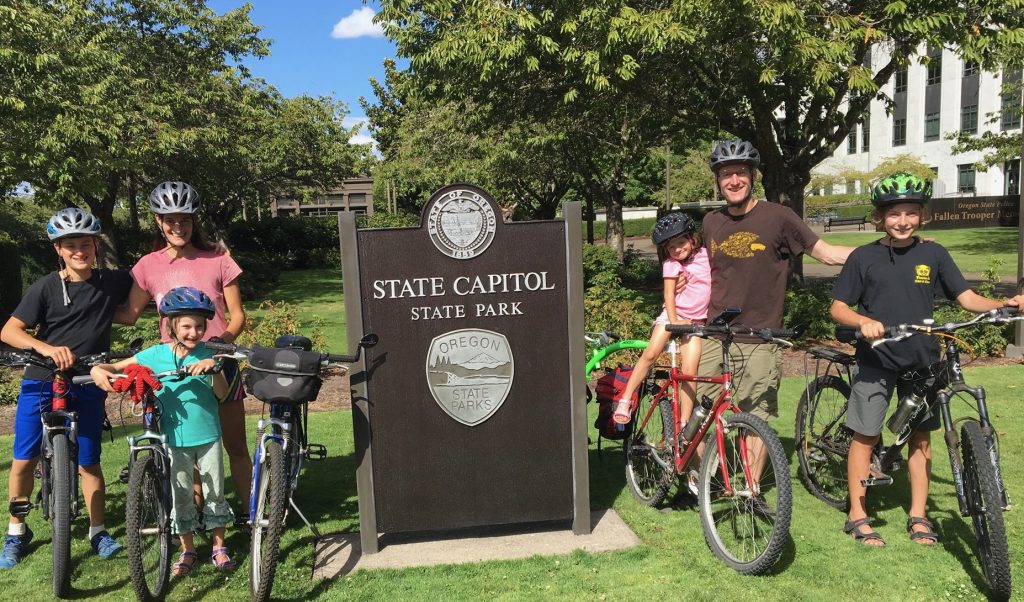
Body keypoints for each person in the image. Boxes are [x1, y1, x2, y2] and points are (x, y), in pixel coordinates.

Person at [830, 173, 1024, 546]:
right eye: (894, 214)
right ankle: (857, 513)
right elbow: (838, 307)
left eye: (910, 213)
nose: (902, 221)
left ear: (921, 214)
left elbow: (965, 297)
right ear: (880, 218)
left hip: (921, 360)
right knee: (866, 434)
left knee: (921, 436)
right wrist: (864, 321)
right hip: (877, 359)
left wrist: (1001, 304)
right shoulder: (863, 256)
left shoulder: (933, 253)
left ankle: (918, 515)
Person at [0, 208, 133, 568]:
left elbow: (148, 284)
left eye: (85, 243)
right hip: (42, 378)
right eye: (70, 245)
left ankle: (98, 530)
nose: (79, 251)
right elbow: (9, 331)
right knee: (23, 459)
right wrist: (45, 347)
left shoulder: (112, 281)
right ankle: (16, 531)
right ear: (59, 249)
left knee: (89, 461)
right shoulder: (44, 286)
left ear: (95, 245)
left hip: (87, 379)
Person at [116, 181, 252, 514]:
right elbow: (130, 314)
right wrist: (81, 307)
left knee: (235, 445)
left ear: (194, 221)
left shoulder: (218, 259)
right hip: (175, 370)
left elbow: (238, 316)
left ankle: (254, 518)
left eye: (185, 220)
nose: (178, 227)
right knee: (187, 449)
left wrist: (222, 346)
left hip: (219, 362)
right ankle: (196, 523)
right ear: (158, 222)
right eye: (170, 220)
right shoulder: (148, 265)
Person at [92, 286, 237, 575]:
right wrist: (99, 369)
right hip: (173, 439)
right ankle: (188, 549)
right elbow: (114, 367)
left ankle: (219, 546)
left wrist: (214, 368)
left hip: (208, 436)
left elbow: (221, 395)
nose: (193, 332)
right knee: (180, 493)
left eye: (199, 326)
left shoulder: (210, 354)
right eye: (186, 326)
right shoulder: (156, 355)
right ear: (171, 325)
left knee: (214, 491)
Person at [613, 212, 710, 433]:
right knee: (650, 354)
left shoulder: (705, 256)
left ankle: (685, 423)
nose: (677, 249)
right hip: (672, 316)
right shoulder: (670, 265)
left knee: (690, 369)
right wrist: (675, 321)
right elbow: (668, 294)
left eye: (681, 243)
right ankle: (626, 398)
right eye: (671, 247)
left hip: (696, 320)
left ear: (692, 238)